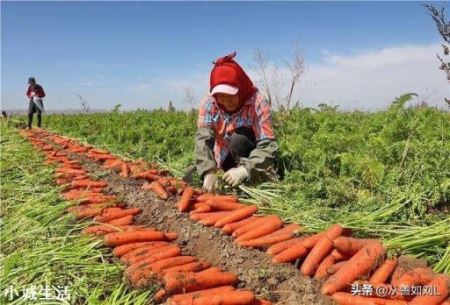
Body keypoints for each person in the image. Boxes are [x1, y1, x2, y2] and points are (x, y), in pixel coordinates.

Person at [195, 52, 279, 193]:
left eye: (231, 95)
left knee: (239, 139)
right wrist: (208, 171)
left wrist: (244, 170)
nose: (226, 102)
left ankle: (251, 180)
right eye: (221, 96)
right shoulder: (210, 103)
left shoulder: (258, 104)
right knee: (191, 177)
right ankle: (225, 175)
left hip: (250, 157)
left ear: (241, 87)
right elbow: (203, 139)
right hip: (222, 156)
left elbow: (268, 145)